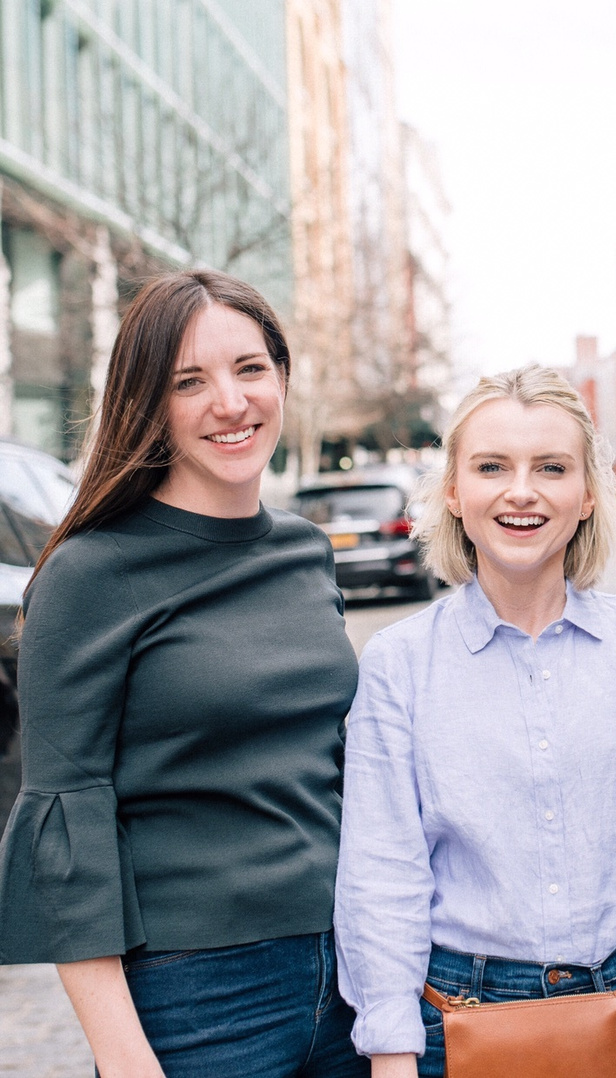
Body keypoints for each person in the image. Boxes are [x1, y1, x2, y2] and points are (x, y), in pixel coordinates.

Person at [0, 270, 366, 1078]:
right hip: (194, 998)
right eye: (188, 382)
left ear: (282, 376)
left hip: (351, 983)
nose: (229, 403)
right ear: (149, 405)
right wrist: (123, 1055)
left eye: (249, 368)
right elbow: (68, 823)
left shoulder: (305, 552)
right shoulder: (89, 574)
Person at [334, 365, 616, 1078]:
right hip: (459, 1022)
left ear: (587, 495)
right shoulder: (399, 664)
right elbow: (381, 875)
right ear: (454, 490)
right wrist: (391, 1055)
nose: (521, 490)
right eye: (491, 466)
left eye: (551, 467)